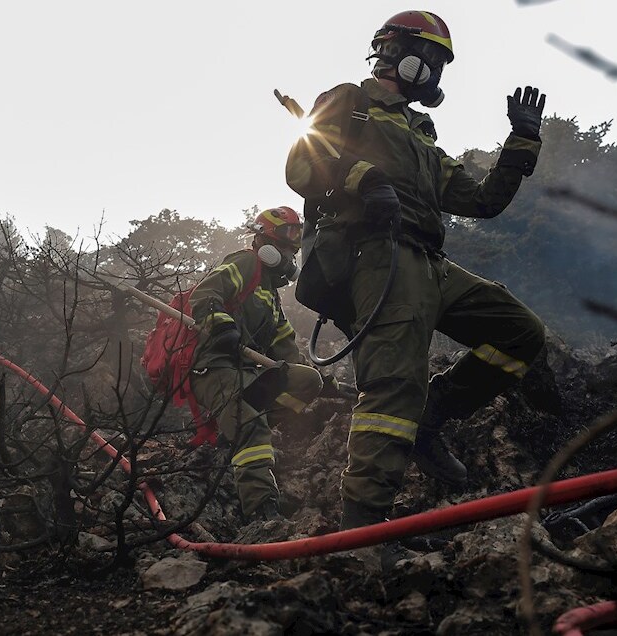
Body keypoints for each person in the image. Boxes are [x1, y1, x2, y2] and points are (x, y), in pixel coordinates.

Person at [285, 10, 548, 533]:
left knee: (520, 333)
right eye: (431, 58)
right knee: (393, 386)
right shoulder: (350, 102)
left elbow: (480, 200)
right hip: (379, 255)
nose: (435, 73)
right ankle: (363, 531)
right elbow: (301, 165)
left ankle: (434, 415)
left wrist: (522, 141)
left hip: (430, 261)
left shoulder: (421, 133)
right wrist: (364, 178)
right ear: (399, 52)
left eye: (440, 64)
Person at [188, 206, 330, 522]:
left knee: (307, 381)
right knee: (249, 426)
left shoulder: (268, 291)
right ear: (267, 240)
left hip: (246, 373)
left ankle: (241, 425)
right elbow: (204, 295)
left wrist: (323, 379)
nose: (292, 246)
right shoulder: (245, 262)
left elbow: (285, 346)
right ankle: (262, 510)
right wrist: (222, 324)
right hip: (213, 367)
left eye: (297, 236)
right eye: (287, 235)